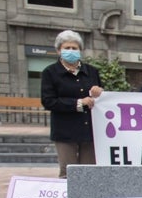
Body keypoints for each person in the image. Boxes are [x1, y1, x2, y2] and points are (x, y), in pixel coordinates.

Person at [40, 30, 103, 178]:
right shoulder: (50, 72)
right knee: (68, 173)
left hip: (89, 131)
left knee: (88, 173)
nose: (71, 51)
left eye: (74, 48)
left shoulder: (92, 72)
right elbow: (48, 101)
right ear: (58, 50)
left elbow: (100, 98)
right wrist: (78, 103)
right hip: (65, 131)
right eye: (67, 48)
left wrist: (99, 92)